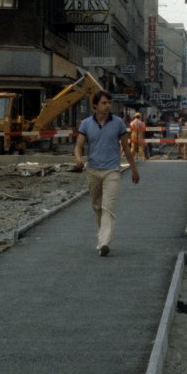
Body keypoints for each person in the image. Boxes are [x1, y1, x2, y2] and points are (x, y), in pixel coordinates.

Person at [74, 91, 140, 256]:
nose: (108, 105)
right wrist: (78, 158)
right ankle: (101, 237)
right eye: (104, 103)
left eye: (109, 102)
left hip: (112, 171)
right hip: (93, 170)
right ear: (95, 105)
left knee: (108, 207)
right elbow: (79, 145)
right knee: (97, 207)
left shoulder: (118, 123)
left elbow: (126, 148)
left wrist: (134, 169)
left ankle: (104, 242)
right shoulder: (86, 124)